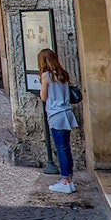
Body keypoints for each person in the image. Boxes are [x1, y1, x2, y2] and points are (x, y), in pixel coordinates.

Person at [39, 48, 80, 194]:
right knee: (66, 148)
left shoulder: (46, 76)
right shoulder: (64, 75)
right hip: (67, 113)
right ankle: (69, 179)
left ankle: (64, 181)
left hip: (56, 114)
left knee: (61, 148)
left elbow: (43, 97)